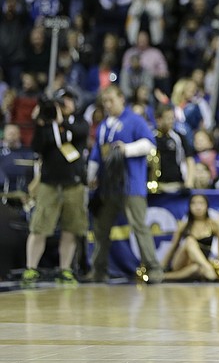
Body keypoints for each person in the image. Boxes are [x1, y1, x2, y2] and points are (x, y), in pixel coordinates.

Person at [88, 85, 163, 283]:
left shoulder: (135, 120)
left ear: (122, 99)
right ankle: (99, 270)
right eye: (105, 101)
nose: (108, 104)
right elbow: (97, 153)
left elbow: (149, 144)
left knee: (139, 226)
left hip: (131, 184)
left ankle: (154, 269)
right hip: (108, 186)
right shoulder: (104, 125)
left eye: (111, 100)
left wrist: (126, 149)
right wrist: (91, 175)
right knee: (101, 228)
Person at [24, 89, 89, 285]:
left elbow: (78, 134)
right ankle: (31, 268)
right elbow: (36, 146)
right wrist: (40, 122)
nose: (64, 104)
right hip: (49, 183)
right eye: (61, 101)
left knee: (71, 228)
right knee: (39, 227)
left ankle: (65, 269)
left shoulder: (79, 122)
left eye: (68, 100)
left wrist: (60, 121)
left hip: (73, 183)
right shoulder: (46, 123)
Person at [161, 194, 219, 281]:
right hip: (182, 262)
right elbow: (173, 247)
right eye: (194, 203)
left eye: (201, 203)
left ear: (207, 206)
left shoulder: (214, 225)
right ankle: (208, 269)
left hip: (199, 264)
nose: (198, 207)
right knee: (189, 241)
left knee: (197, 269)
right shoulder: (183, 225)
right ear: (189, 206)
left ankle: (165, 277)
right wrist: (162, 266)